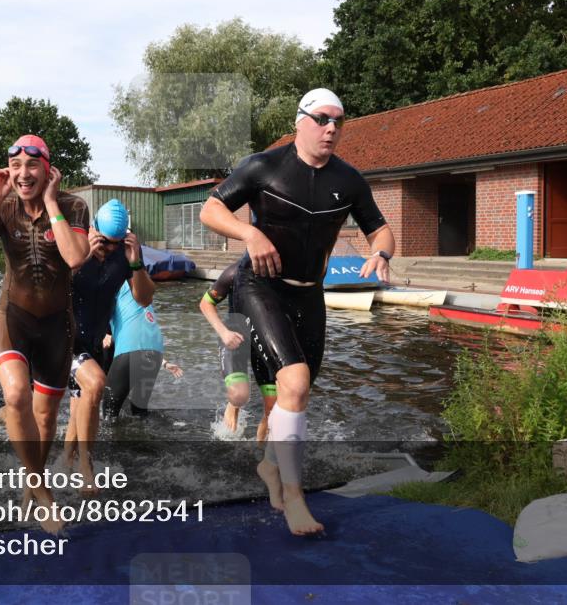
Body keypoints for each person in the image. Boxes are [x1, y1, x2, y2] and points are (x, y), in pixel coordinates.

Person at [199, 88, 394, 536]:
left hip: (310, 295)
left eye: (339, 121)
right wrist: (249, 234)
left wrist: (382, 254)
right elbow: (212, 208)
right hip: (260, 285)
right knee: (295, 380)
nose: (332, 128)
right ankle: (294, 497)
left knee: (298, 396)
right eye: (323, 119)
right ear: (301, 121)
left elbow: (379, 229)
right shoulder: (263, 165)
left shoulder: (348, 179)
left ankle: (270, 467)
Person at [0, 133, 89, 533]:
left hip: (57, 325)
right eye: (15, 167)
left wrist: (50, 203)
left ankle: (32, 483)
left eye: (31, 165)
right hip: (11, 316)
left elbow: (76, 257)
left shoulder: (72, 205)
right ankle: (41, 487)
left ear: (47, 169)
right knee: (15, 395)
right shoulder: (5, 206)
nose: (23, 173)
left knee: (46, 416)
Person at [66, 199, 154, 491]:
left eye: (117, 243)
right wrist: (81, 258)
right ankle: (85, 469)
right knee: (94, 385)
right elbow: (50, 289)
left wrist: (136, 261)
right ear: (93, 231)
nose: (109, 248)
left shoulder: (123, 257)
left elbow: (144, 299)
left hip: (92, 341)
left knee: (81, 400)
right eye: (104, 241)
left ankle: (66, 460)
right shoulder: (76, 249)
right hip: (62, 338)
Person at [199, 257, 277, 441]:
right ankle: (233, 405)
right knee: (239, 395)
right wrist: (224, 333)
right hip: (235, 335)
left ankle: (264, 455)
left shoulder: (279, 276)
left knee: (273, 411)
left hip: (264, 340)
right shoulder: (234, 273)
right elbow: (205, 303)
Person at [104, 281, 182, 418]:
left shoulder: (112, 284)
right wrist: (164, 362)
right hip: (155, 351)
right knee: (139, 411)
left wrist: (103, 334)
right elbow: (139, 326)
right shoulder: (141, 288)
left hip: (131, 347)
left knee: (109, 412)